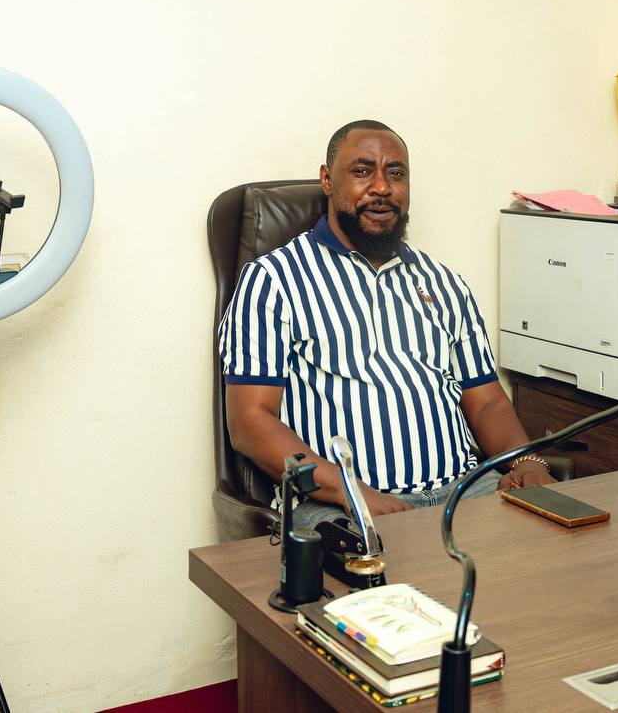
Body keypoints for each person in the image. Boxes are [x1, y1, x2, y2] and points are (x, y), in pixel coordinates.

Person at [218, 120, 556, 531]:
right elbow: (250, 421)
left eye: (395, 173)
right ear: (327, 180)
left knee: (557, 548)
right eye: (362, 171)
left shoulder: (443, 283)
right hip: (341, 504)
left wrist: (528, 462)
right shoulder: (274, 280)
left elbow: (486, 403)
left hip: (465, 491)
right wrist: (350, 492)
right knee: (399, 572)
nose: (381, 186)